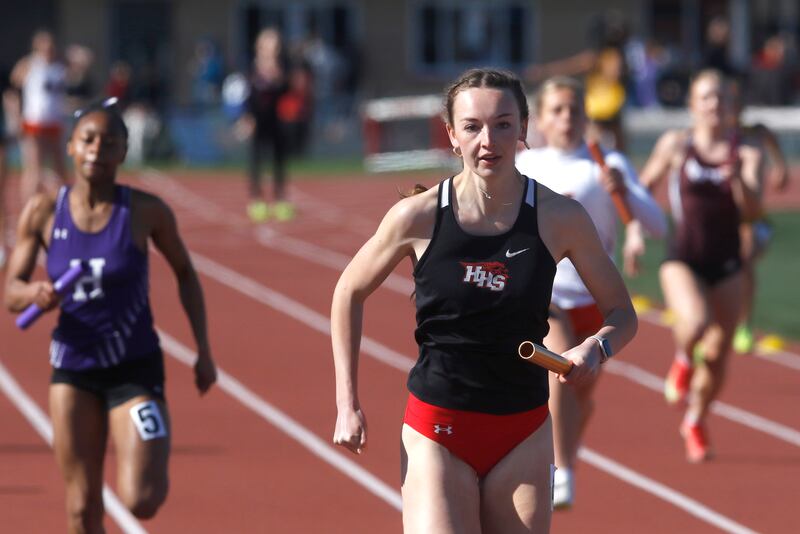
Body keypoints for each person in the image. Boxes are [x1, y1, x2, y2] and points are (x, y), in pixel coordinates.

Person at [331, 68, 637, 533]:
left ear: (524, 129)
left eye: (503, 124)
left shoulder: (560, 217)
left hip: (524, 430)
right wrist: (346, 401)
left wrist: (596, 347)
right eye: (472, 126)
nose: (488, 140)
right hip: (438, 427)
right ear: (452, 135)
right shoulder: (418, 217)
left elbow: (623, 313)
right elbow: (348, 291)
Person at [3, 98, 217, 532]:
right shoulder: (44, 211)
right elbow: (10, 291)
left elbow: (185, 273)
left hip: (134, 369)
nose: (97, 148)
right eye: (88, 139)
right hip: (73, 369)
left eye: (110, 142)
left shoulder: (145, 212)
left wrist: (203, 351)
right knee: (81, 507)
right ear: (70, 147)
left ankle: (154, 440)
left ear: (123, 152)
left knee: (142, 498)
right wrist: (34, 292)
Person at [516, 76, 666, 509]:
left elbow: (657, 224)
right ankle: (560, 469)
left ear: (586, 116)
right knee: (561, 368)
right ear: (541, 119)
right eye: (557, 110)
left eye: (574, 110)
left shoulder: (606, 163)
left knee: (579, 394)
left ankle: (562, 458)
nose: (566, 118)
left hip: (597, 302)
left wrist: (624, 192)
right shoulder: (528, 166)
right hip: (548, 296)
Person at [638, 70, 762, 463]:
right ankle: (680, 360)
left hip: (727, 263)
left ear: (732, 107)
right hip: (683, 257)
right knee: (694, 323)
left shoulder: (747, 152)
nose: (714, 105)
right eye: (706, 98)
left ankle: (695, 418)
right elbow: (643, 190)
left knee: (719, 353)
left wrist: (739, 180)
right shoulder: (677, 145)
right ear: (692, 105)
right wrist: (637, 232)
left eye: (722, 98)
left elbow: (754, 213)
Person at [726, 79, 790, 354]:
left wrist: (780, 166)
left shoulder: (755, 133)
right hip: (718, 225)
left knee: (744, 256)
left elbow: (771, 140)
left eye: (737, 103)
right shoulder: (708, 137)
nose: (733, 109)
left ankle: (744, 324)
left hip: (754, 221)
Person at [236, 28, 292, 223]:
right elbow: (247, 94)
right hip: (257, 120)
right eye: (269, 44)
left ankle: (279, 200)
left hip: (276, 119)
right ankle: (256, 200)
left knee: (279, 160)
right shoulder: (252, 67)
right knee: (256, 160)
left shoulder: (282, 67)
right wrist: (246, 117)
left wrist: (278, 78)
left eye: (276, 45)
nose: (273, 49)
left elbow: (287, 91)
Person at [10, 29, 68, 204]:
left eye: (51, 45)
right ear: (36, 47)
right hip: (34, 123)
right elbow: (13, 91)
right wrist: (16, 116)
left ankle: (62, 206)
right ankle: (29, 206)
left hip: (55, 122)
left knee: (60, 168)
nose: (48, 49)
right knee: (34, 169)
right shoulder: (28, 65)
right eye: (44, 45)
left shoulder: (60, 66)